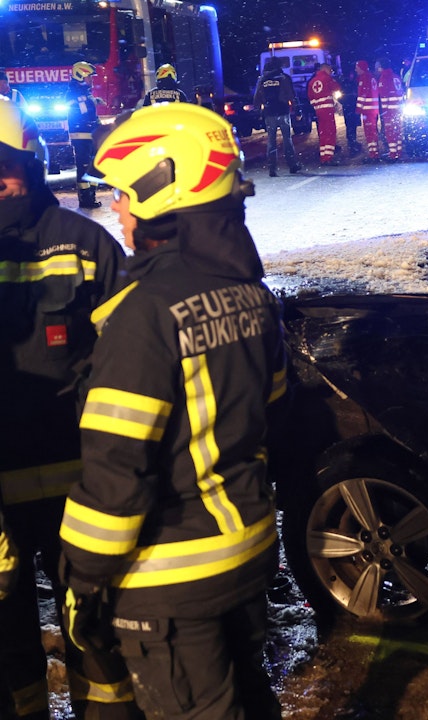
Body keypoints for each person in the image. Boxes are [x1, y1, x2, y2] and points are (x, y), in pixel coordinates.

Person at [60, 103, 287, 720]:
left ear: (163, 190)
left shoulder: (142, 315)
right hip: (244, 551)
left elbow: (116, 475)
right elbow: (267, 410)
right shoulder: (251, 291)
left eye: (125, 195)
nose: (118, 210)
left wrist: (82, 582)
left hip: (170, 578)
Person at [0, 99, 137, 720]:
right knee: (6, 647)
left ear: (29, 164)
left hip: (78, 490)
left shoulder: (83, 242)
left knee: (94, 632)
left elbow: (136, 360)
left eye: (4, 168)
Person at [252, 57, 300, 177]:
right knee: (287, 139)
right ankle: (292, 165)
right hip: (283, 111)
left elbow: (257, 96)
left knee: (271, 141)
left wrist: (258, 111)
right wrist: (297, 109)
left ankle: (272, 168)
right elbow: (291, 94)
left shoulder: (262, 79)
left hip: (269, 113)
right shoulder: (284, 78)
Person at [66, 61, 104, 208]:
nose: (91, 80)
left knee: (94, 165)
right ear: (80, 75)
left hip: (90, 133)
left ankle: (91, 196)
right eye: (89, 77)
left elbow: (89, 112)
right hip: (80, 134)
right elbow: (78, 110)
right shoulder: (73, 92)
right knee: (83, 167)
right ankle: (85, 199)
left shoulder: (85, 92)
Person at [306, 63, 340, 165]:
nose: (331, 72)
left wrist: (317, 106)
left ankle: (323, 157)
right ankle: (329, 157)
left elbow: (310, 97)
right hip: (328, 110)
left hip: (318, 111)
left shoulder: (312, 81)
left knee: (323, 133)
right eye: (330, 70)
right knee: (330, 132)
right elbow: (337, 88)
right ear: (325, 69)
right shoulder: (327, 78)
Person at [374, 58, 404, 162]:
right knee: (398, 131)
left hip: (390, 110)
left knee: (390, 132)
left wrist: (385, 112)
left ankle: (393, 154)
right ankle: (399, 152)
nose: (376, 69)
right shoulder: (396, 76)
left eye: (377, 66)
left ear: (381, 67)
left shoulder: (384, 78)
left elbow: (383, 96)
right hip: (399, 109)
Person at [354, 59, 380, 162]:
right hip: (374, 108)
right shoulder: (372, 77)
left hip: (367, 110)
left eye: (357, 68)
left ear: (361, 68)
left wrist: (358, 109)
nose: (356, 70)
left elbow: (362, 94)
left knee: (369, 133)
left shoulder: (364, 78)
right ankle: (375, 152)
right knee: (373, 131)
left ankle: (373, 155)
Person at [338, 68, 361, 157]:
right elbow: (340, 96)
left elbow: (340, 96)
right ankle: (352, 142)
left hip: (349, 107)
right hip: (351, 106)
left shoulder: (346, 83)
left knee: (350, 124)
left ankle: (352, 141)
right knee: (351, 125)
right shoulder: (350, 83)